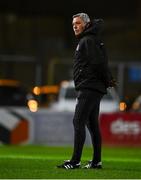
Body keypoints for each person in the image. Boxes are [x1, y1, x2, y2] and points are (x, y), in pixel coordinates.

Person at [57, 13, 116, 169]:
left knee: (78, 121)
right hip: (93, 87)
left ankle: (75, 161)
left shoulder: (87, 40)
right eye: (73, 24)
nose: (74, 26)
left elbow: (98, 62)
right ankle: (96, 161)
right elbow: (100, 62)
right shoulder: (90, 39)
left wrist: (107, 79)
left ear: (87, 24)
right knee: (92, 124)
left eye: (78, 23)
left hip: (89, 87)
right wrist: (107, 79)